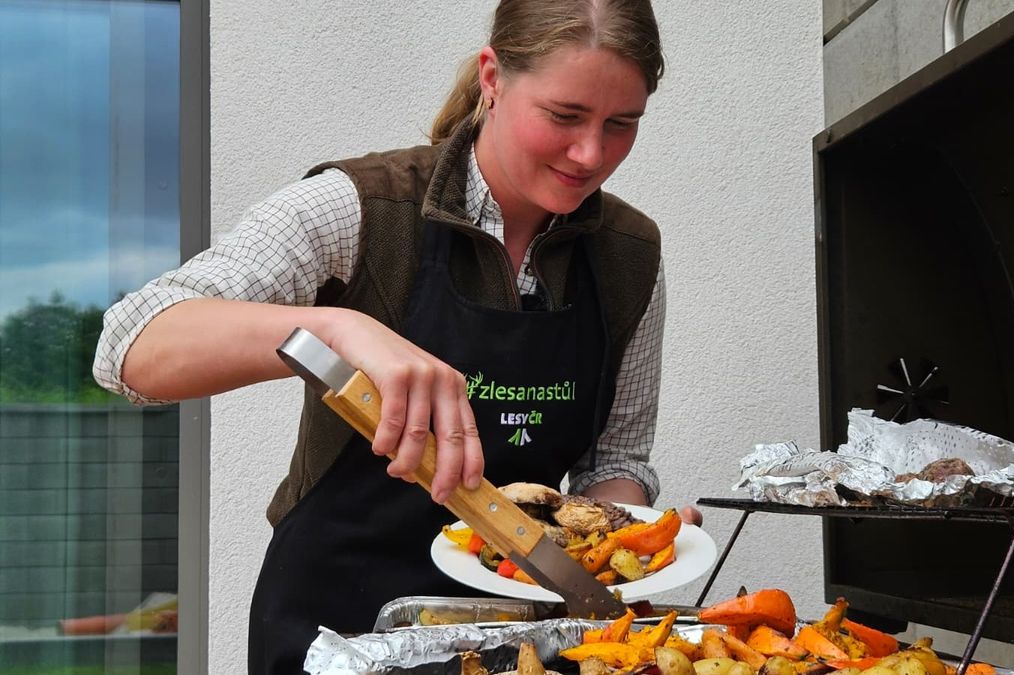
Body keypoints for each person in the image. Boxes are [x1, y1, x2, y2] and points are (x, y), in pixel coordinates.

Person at [93, 0, 696, 672]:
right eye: (565, 116)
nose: (591, 154)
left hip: (519, 638)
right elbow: (132, 345)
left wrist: (625, 544)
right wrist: (334, 329)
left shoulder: (629, 253)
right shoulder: (361, 208)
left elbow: (616, 461)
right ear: (492, 78)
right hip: (332, 631)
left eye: (622, 124)